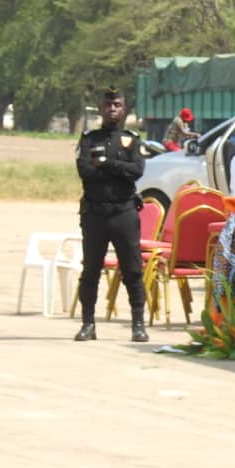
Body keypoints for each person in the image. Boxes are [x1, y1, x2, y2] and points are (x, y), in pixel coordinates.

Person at [73, 87, 148, 343]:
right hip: (95, 214)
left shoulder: (131, 139)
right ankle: (88, 324)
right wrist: (117, 170)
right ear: (101, 109)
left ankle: (138, 324)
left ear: (123, 108)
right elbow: (85, 171)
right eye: (108, 105)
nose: (113, 109)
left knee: (133, 270)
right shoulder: (89, 138)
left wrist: (107, 164)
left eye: (117, 104)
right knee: (91, 270)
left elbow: (137, 170)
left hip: (124, 212)